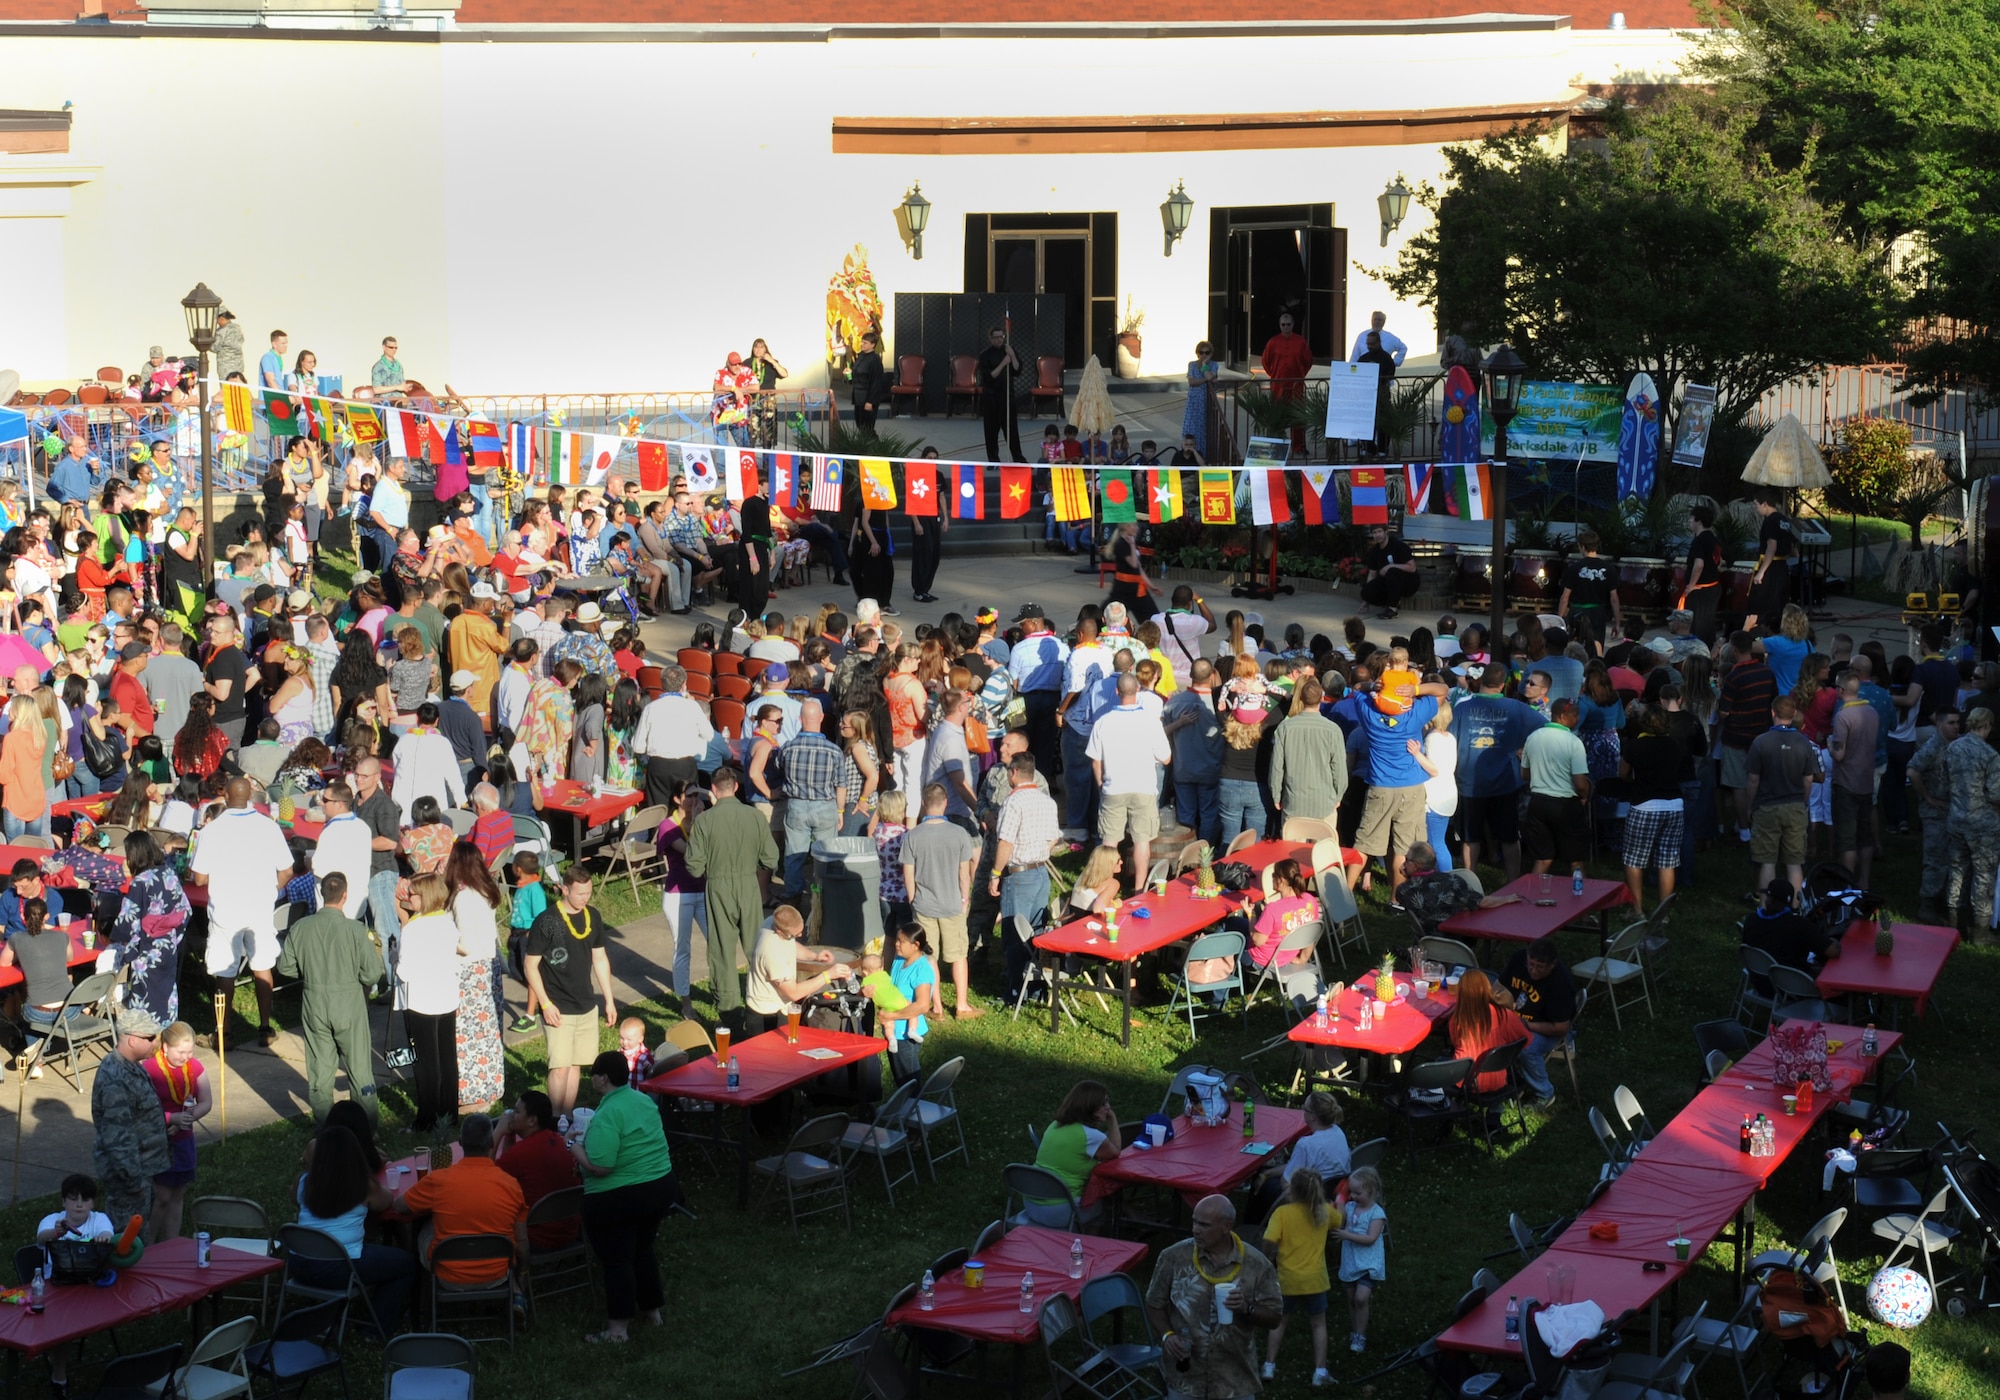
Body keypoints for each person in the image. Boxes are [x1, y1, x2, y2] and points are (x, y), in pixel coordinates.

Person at [572, 1050, 681, 1345]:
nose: (592, 1078)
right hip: (660, 1186)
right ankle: (653, 1313)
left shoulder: (607, 1114)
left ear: (603, 1078)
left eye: (593, 1074)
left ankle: (617, 1330)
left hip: (620, 1198)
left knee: (617, 1258)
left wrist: (574, 1147)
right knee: (642, 1248)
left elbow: (602, 1166)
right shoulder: (642, 1100)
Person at [189, 776, 295, 1047]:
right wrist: (272, 889)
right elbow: (287, 871)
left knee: (225, 972)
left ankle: (222, 1033)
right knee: (262, 967)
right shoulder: (268, 826)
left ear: (225, 796)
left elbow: (199, 878)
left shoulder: (213, 830)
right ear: (250, 796)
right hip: (259, 906)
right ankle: (264, 1028)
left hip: (226, 908)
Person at [276, 871, 384, 1123]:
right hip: (349, 1002)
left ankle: (325, 1124)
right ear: (345, 896)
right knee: (359, 1067)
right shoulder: (356, 930)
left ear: (321, 894)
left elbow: (285, 968)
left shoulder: (301, 927)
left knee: (320, 1067)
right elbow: (371, 973)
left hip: (314, 1000)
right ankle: (367, 1125)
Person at [1148, 1194, 1284, 1394]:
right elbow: (1154, 1303)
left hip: (1234, 1379)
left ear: (1226, 1227)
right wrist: (1167, 1335)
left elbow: (1274, 1317)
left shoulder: (1256, 1264)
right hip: (1184, 1378)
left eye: (1204, 1225)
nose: (1195, 1229)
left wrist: (1247, 1308)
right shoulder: (1173, 1257)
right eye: (1194, 1222)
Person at [292, 1124, 417, 1336]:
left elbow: (295, 1200)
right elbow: (386, 1201)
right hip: (338, 1266)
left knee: (370, 1251)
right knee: (406, 1263)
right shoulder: (361, 1185)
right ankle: (375, 1327)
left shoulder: (304, 1182)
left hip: (298, 1262)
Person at [683, 767, 779, 1028]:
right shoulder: (755, 816)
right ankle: (765, 1007)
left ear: (713, 790)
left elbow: (693, 867)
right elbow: (770, 858)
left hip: (718, 887)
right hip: (748, 884)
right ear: (736, 787)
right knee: (758, 949)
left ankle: (730, 1018)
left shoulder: (704, 821)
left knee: (722, 953)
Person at [393, 1114, 528, 1288]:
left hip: (447, 1275)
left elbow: (400, 1207)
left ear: (460, 1142)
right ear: (492, 1144)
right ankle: (514, 1291)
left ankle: (420, 1296)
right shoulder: (512, 1185)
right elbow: (522, 1239)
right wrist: (522, 1271)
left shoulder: (438, 1180)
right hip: (497, 1274)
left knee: (424, 1226)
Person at [524, 868, 618, 1120]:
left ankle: (566, 1117)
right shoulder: (547, 921)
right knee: (560, 1067)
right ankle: (552, 1119)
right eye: (579, 893)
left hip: (586, 1004)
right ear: (564, 889)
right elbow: (530, 965)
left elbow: (600, 959)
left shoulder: (593, 916)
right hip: (558, 1005)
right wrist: (545, 1004)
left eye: (588, 892)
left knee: (575, 1065)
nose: (585, 898)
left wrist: (608, 1000)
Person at [899, 783, 980, 1019]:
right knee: (958, 955)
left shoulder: (912, 836)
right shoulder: (959, 833)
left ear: (924, 804)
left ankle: (936, 1007)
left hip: (924, 905)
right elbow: (963, 872)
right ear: (945, 802)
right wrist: (965, 899)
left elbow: (908, 874)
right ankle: (962, 1005)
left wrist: (913, 900)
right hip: (953, 903)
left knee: (928, 956)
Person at [1088, 671, 1172, 890]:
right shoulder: (1150, 721)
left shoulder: (1103, 722)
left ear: (1117, 692)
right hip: (1143, 786)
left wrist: (1100, 785)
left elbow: (1096, 762)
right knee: (1142, 841)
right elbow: (1166, 757)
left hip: (1113, 786)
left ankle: (1105, 886)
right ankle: (1139, 888)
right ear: (1138, 690)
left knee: (1109, 841)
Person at [90, 1009, 170, 1228]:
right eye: (151, 1037)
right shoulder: (115, 1078)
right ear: (133, 1040)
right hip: (128, 1176)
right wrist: (134, 1181)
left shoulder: (130, 1067)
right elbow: (117, 1138)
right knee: (126, 1239)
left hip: (142, 1169)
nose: (156, 1042)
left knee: (138, 1235)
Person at [105, 830, 192, 1024]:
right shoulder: (169, 874)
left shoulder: (140, 882)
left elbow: (128, 920)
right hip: (167, 947)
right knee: (165, 994)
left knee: (145, 1001)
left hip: (146, 951)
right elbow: (185, 911)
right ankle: (167, 1037)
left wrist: (112, 937)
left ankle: (146, 1043)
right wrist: (170, 935)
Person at [446, 843, 506, 1119]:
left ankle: (473, 1095)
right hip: (488, 967)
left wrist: (443, 938)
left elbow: (465, 944)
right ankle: (491, 1088)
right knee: (489, 1033)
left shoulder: (463, 898)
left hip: (470, 972)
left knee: (469, 1037)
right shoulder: (486, 890)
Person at [139, 1020, 210, 1244]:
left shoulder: (195, 1068)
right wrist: (171, 1118)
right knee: (161, 1196)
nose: (186, 1057)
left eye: (190, 1052)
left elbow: (206, 1101)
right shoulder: (148, 1070)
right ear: (166, 1047)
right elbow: (140, 1111)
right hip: (159, 1141)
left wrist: (190, 1116)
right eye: (181, 1052)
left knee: (178, 1194)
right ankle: (149, 1244)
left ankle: (172, 1243)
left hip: (184, 1139)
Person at [1260, 1169, 1334, 1387]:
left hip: (1287, 1279)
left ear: (1291, 1189)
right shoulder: (1325, 1211)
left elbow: (1268, 1240)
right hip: (1315, 1279)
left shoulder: (1282, 1214)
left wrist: (1268, 1259)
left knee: (1279, 1322)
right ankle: (1320, 1372)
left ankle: (1269, 1366)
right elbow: (1342, 1219)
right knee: (1318, 1324)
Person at [1747, 695, 1818, 898]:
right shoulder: (1804, 743)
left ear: (1772, 713)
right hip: (1795, 806)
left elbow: (1753, 780)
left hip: (1767, 806)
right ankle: (1795, 909)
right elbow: (1808, 779)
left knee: (1767, 861)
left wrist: (1750, 806)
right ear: (1794, 714)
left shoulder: (1761, 742)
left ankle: (1765, 908)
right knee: (1794, 863)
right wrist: (1803, 801)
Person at [1619, 703, 1687, 914]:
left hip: (1645, 805)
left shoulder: (1634, 746)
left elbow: (1622, 774)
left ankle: (1638, 910)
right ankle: (1663, 913)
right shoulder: (1675, 745)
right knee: (1667, 861)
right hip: (1674, 805)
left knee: (1634, 859)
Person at [744, 903, 850, 1035]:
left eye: (800, 931)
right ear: (779, 931)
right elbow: (794, 993)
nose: (800, 935)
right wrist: (827, 975)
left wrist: (814, 956)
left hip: (781, 1007)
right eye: (795, 934)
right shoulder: (771, 953)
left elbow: (790, 944)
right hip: (766, 1013)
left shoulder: (773, 922)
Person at [1493, 936, 1576, 1105]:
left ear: (1552, 965)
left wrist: (1526, 1025)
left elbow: (1561, 1028)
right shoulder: (1518, 958)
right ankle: (1508, 1082)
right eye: (1530, 964)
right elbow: (1497, 986)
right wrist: (1506, 1001)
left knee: (1525, 1047)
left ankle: (1545, 1093)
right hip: (1515, 1018)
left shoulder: (1560, 984)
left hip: (1545, 1028)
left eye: (1540, 967)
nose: (1533, 971)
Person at [495, 1089, 582, 1249]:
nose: (511, 1114)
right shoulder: (558, 1140)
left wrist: (499, 1131)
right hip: (569, 1232)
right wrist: (510, 1136)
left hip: (535, 1237)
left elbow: (485, 1176)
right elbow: (508, 1170)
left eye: (517, 1111)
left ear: (531, 1121)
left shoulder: (523, 1153)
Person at [1029, 1080, 1123, 1228]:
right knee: (1104, 1200)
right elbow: (1116, 1151)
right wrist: (1113, 1119)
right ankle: (1089, 1245)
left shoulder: (1055, 1125)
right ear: (1090, 1107)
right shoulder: (1091, 1136)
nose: (1108, 1108)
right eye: (1104, 1104)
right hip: (1060, 1211)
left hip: (1031, 1203)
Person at [1943, 707, 2000, 934]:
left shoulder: (1952, 748)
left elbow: (1945, 779)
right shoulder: (1990, 755)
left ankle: (1953, 918)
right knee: (1983, 874)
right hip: (1983, 824)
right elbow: (1995, 794)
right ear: (1987, 726)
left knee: (1957, 869)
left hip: (1956, 818)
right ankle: (1980, 929)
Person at [1520, 698, 1592, 879]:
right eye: (1575, 715)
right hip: (1565, 804)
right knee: (1575, 859)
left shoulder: (1533, 737)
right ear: (1562, 716)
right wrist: (1584, 796)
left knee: (1542, 858)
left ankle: (1531, 897)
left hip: (1538, 803)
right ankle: (1580, 899)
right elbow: (1580, 783)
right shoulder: (1573, 742)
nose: (1578, 718)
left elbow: (1525, 774)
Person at [1828, 671, 1881, 889]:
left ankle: (1847, 883)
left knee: (1847, 838)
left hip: (1846, 782)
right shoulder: (1872, 712)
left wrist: (1830, 743)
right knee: (1865, 835)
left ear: (1841, 690)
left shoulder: (1843, 716)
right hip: (1866, 780)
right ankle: (1864, 881)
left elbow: (1839, 754)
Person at [1398, 841, 1521, 934]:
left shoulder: (1403, 890)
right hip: (1456, 938)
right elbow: (1481, 902)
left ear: (1416, 866)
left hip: (1426, 939)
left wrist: (1408, 875)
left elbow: (1414, 889)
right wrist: (1507, 899)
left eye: (1407, 859)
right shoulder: (1452, 881)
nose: (1404, 862)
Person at [1741, 878, 1837, 995]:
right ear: (1790, 902)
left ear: (1770, 900)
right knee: (1832, 972)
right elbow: (1833, 951)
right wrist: (1834, 940)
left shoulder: (1751, 920)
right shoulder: (1799, 926)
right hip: (1792, 989)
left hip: (1760, 983)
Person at [1908, 708, 1959, 924]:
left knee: (1947, 858)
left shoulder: (1952, 745)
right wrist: (1928, 797)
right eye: (1951, 723)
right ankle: (1927, 905)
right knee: (1935, 857)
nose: (1956, 727)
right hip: (1935, 813)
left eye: (1958, 723)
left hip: (1948, 810)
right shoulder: (1933, 746)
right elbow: (1912, 771)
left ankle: (1939, 900)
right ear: (1939, 724)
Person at [1332, 1167, 1388, 1354]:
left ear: (1371, 1190)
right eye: (1351, 1192)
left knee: (1361, 1297)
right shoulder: (1349, 1207)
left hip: (1369, 1263)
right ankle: (1355, 1328)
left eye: (1358, 1192)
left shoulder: (1376, 1213)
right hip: (1350, 1262)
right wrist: (1339, 1201)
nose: (1353, 1196)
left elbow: (1371, 1238)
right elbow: (1338, 1222)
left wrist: (1347, 1235)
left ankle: (1360, 1334)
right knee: (1351, 1299)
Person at [1745, 493, 1794, 631]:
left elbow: (1772, 546)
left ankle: (1760, 630)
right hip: (1782, 566)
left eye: (1757, 505)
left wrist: (1761, 572)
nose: (1756, 508)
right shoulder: (1784, 520)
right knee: (1778, 600)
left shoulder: (1771, 520)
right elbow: (1791, 546)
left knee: (1762, 601)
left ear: (1765, 504)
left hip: (1770, 566)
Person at [977, 325, 1026, 462]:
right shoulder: (984, 355)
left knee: (1011, 430)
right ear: (991, 338)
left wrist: (1012, 355)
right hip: (991, 397)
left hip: (1007, 396)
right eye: (996, 337)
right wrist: (1004, 363)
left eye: (1001, 337)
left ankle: (1018, 458)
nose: (999, 340)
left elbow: (1017, 370)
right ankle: (993, 460)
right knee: (991, 431)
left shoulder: (1009, 350)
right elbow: (990, 376)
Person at [1358, 524, 1418, 618]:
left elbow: (1412, 568)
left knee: (1392, 572)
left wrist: (1390, 566)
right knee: (1366, 592)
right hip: (1388, 582)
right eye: (1374, 533)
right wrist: (1366, 601)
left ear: (1386, 532)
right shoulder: (1374, 552)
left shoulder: (1398, 546)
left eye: (1380, 531)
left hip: (1409, 582)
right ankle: (1392, 600)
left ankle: (1392, 609)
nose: (1377, 535)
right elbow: (1372, 574)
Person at [1184, 341, 1220, 459]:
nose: (1203, 355)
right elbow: (1192, 382)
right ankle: (1189, 453)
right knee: (1192, 427)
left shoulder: (1214, 365)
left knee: (1205, 429)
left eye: (1207, 352)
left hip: (1207, 400)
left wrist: (1205, 365)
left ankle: (1204, 456)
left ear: (1211, 353)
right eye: (1201, 352)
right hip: (1194, 401)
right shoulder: (1192, 365)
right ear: (1197, 353)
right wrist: (1206, 380)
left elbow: (1210, 376)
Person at [849, 331, 886, 436]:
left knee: (867, 427)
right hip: (858, 396)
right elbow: (856, 376)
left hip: (867, 397)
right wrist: (849, 375)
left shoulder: (875, 360)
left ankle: (875, 448)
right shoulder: (860, 356)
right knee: (860, 424)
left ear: (872, 345)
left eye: (865, 343)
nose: (862, 344)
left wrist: (870, 401)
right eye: (862, 342)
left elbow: (876, 383)